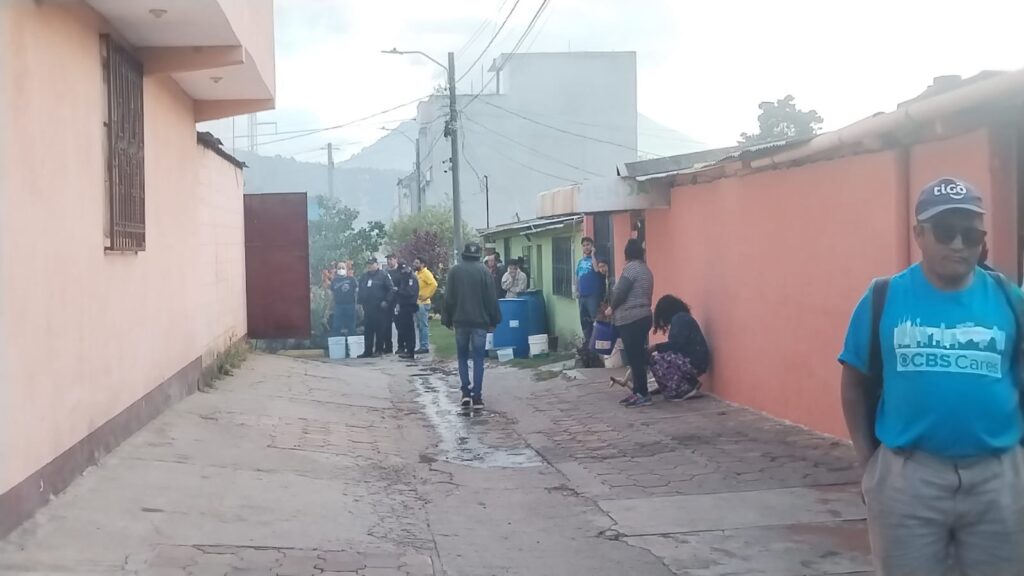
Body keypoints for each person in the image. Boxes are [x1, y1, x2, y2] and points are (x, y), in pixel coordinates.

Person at [839, 177, 1024, 575]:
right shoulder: (883, 297)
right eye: (944, 231)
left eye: (969, 234)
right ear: (919, 234)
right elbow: (854, 382)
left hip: (998, 478)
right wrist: (868, 463)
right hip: (908, 478)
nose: (958, 244)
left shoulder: (1010, 300)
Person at [444, 242, 502, 409]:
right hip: (480, 322)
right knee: (478, 359)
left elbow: (449, 298)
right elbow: (491, 299)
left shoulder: (455, 271)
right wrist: (494, 319)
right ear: (478, 255)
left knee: (462, 357)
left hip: (460, 321)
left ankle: (465, 393)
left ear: (464, 254)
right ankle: (477, 396)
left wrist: (447, 319)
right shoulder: (484, 272)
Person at [609, 238, 654, 407]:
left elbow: (621, 292)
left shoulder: (630, 269)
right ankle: (638, 392)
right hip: (644, 316)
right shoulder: (646, 270)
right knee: (638, 357)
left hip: (631, 319)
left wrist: (611, 308)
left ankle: (642, 394)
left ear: (627, 254)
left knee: (634, 359)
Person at [649, 295, 709, 401]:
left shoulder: (680, 319)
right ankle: (685, 384)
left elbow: (675, 345)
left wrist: (655, 347)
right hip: (695, 360)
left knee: (656, 360)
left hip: (694, 362)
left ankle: (686, 388)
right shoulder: (682, 318)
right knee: (661, 358)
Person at [356, 258, 394, 358]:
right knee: (368, 330)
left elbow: (391, 289)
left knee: (379, 329)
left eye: (372, 264)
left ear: (377, 264)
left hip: (379, 307)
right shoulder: (364, 276)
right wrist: (359, 302)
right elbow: (361, 290)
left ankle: (379, 350)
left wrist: (386, 301)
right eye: (368, 264)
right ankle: (367, 351)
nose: (369, 266)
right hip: (368, 307)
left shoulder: (383, 275)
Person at [575, 237, 605, 351]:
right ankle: (588, 346)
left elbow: (597, 270)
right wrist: (576, 290)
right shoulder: (580, 262)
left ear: (592, 246)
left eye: (588, 245)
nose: (586, 247)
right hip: (582, 296)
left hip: (593, 295)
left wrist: (593, 255)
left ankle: (597, 347)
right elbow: (577, 277)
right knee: (584, 321)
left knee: (595, 321)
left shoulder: (597, 259)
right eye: (584, 245)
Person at [393, 261, 420, 360]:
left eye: (403, 270)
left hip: (409, 305)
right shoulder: (404, 278)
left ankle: (410, 350)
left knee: (409, 329)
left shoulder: (411, 278)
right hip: (403, 305)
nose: (402, 272)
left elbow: (410, 292)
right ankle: (408, 349)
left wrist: (398, 291)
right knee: (404, 328)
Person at [413, 257, 437, 355]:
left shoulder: (426, 273)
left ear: (422, 264)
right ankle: (422, 345)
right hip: (417, 302)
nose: (414, 264)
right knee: (419, 325)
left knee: (423, 325)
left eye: (417, 263)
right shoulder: (417, 273)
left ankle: (424, 346)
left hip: (423, 303)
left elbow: (434, 284)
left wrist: (426, 295)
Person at [330, 262, 358, 337]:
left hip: (350, 305)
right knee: (336, 326)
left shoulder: (352, 279)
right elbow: (332, 295)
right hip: (338, 306)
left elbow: (356, 293)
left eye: (343, 268)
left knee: (351, 326)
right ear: (336, 269)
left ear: (346, 269)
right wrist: (330, 307)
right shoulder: (334, 281)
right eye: (339, 268)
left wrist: (357, 305)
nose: (341, 269)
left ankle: (351, 343)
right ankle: (337, 343)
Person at [385, 254, 401, 354]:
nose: (389, 261)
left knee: (399, 325)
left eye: (391, 259)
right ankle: (388, 347)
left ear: (396, 260)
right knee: (386, 325)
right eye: (388, 260)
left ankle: (401, 346)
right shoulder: (385, 273)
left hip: (397, 301)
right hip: (388, 301)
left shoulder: (400, 272)